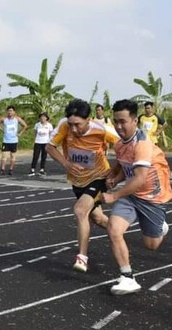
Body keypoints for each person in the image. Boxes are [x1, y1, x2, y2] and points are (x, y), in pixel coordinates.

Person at [103, 99, 172, 295]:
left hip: (151, 197)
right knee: (113, 229)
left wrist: (114, 195)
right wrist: (115, 177)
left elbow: (140, 177)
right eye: (116, 121)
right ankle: (127, 277)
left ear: (135, 121)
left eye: (123, 121)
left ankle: (161, 227)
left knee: (151, 245)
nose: (118, 126)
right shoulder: (120, 144)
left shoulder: (142, 144)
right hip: (131, 194)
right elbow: (124, 164)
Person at [46, 99, 120, 272]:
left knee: (80, 210)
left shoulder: (102, 130)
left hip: (99, 177)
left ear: (89, 119)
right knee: (97, 218)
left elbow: (125, 148)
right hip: (77, 180)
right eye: (70, 124)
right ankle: (119, 230)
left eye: (77, 125)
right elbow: (50, 147)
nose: (73, 129)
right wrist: (66, 164)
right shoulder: (64, 125)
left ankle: (82, 257)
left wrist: (115, 173)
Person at [0, 105, 27, 175]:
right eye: (8, 111)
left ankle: (11, 169)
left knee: (13, 156)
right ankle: (2, 169)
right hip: (6, 140)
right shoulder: (4, 119)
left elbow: (25, 126)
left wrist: (20, 133)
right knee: (4, 156)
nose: (9, 112)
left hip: (14, 141)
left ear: (14, 112)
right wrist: (2, 130)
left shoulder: (17, 119)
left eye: (11, 111)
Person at [29, 112, 53, 176]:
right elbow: (35, 133)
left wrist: (50, 143)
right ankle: (32, 169)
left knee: (44, 156)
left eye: (44, 117)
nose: (42, 118)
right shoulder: (37, 125)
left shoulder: (49, 125)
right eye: (41, 117)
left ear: (46, 118)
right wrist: (34, 141)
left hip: (45, 142)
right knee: (35, 156)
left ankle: (42, 169)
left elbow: (51, 134)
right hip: (38, 142)